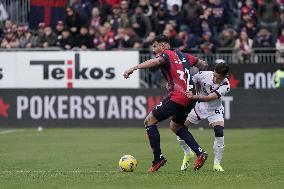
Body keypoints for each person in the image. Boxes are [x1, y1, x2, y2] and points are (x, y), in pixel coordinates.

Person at [123, 35, 208, 172]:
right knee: (175, 126)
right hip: (191, 97)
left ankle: (158, 159)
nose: (154, 50)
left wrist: (134, 68)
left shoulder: (165, 55)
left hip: (178, 96)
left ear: (163, 45)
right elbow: (202, 64)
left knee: (149, 121)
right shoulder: (184, 55)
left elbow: (156, 62)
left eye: (155, 47)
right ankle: (200, 153)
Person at [177, 59, 230, 172]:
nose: (215, 79)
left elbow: (209, 98)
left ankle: (217, 164)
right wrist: (195, 90)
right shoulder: (204, 74)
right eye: (214, 75)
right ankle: (187, 153)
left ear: (225, 76)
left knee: (219, 132)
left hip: (215, 109)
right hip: (199, 107)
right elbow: (191, 80)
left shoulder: (226, 85)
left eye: (218, 78)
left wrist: (194, 96)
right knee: (180, 129)